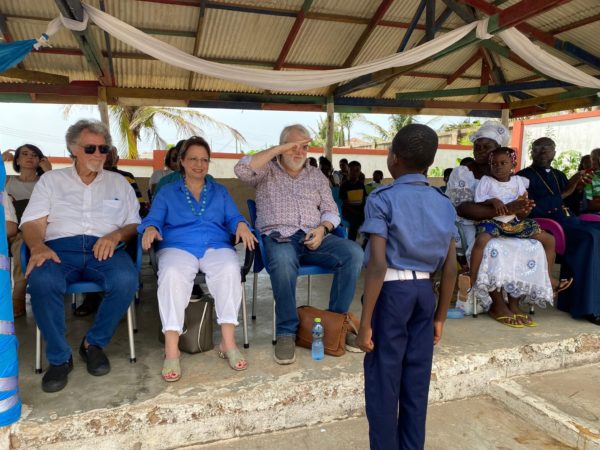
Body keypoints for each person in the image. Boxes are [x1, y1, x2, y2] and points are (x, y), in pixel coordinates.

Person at [20, 119, 140, 393]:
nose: (99, 154)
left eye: (103, 148)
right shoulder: (51, 181)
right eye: (90, 148)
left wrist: (116, 236)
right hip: (59, 249)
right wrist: (37, 246)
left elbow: (134, 223)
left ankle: (93, 343)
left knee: (126, 280)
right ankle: (60, 358)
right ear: (73, 149)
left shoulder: (119, 183)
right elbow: (32, 223)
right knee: (42, 282)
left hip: (105, 249)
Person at [357, 124, 457, 450]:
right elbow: (451, 268)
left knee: (384, 384)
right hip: (424, 295)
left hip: (392, 295)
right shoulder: (443, 202)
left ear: (394, 158)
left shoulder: (381, 198)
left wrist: (365, 323)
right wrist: (440, 316)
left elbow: (377, 265)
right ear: (430, 162)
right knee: (416, 383)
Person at [235, 124, 363, 365]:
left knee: (354, 253)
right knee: (284, 261)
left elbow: (331, 210)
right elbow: (241, 169)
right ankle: (286, 331)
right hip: (279, 237)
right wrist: (278, 150)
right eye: (293, 146)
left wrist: (322, 229)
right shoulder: (266, 171)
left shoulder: (316, 176)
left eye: (304, 147)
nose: (299, 152)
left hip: (315, 237)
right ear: (281, 146)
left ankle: (335, 325)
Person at [140, 136, 256, 381]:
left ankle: (228, 343)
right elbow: (153, 219)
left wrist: (241, 225)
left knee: (230, 269)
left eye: (204, 160)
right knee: (171, 274)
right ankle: (172, 350)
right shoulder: (167, 192)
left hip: (215, 245)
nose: (199, 164)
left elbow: (234, 217)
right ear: (181, 161)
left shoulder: (219, 191)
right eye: (193, 159)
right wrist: (150, 228)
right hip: (178, 247)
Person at [446, 121, 551, 327]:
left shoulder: (510, 177)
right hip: (471, 225)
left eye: (487, 146)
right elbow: (464, 209)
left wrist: (521, 209)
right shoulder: (464, 173)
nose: (480, 150)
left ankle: (514, 302)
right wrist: (507, 209)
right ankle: (496, 303)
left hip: (507, 225)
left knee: (531, 246)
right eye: (477, 146)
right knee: (493, 247)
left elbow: (520, 211)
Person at [518, 138, 600, 325]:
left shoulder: (559, 175)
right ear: (532, 152)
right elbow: (530, 209)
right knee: (590, 237)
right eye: (538, 148)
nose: (543, 152)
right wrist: (566, 192)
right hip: (550, 225)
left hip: (571, 220)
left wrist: (578, 190)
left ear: (554, 153)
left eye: (548, 148)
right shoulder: (523, 177)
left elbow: (573, 204)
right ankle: (586, 307)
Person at [468, 147, 562, 309]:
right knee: (482, 240)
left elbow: (522, 208)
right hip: (494, 222)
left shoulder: (519, 181)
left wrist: (525, 208)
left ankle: (546, 277)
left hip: (514, 223)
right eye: (494, 164)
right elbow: (479, 200)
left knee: (549, 239)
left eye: (503, 163)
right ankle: (474, 277)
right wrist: (494, 200)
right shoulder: (486, 181)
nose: (498, 166)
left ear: (513, 164)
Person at [6, 144, 52, 318]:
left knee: (22, 244)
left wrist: (48, 172)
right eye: (24, 154)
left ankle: (18, 293)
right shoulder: (7, 181)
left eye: (34, 155)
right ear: (17, 160)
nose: (29, 157)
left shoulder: (45, 182)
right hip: (9, 229)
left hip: (36, 231)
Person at [339, 160, 367, 241]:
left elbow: (364, 200)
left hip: (360, 211)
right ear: (348, 171)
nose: (354, 172)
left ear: (360, 172)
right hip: (348, 211)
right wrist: (357, 212)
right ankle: (351, 241)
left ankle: (365, 242)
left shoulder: (361, 185)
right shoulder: (344, 185)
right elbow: (345, 203)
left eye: (357, 170)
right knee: (355, 220)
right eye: (352, 170)